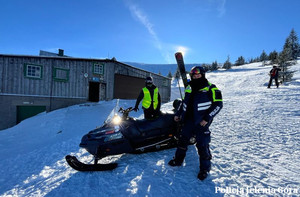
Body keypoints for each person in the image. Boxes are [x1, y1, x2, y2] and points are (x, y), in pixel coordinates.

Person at [168, 66, 223, 181]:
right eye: (194, 75)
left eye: (198, 74)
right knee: (182, 141)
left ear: (202, 75)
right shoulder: (189, 87)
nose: (196, 76)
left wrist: (207, 118)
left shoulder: (211, 88)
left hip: (201, 122)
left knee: (202, 146)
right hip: (188, 121)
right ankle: (178, 160)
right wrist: (178, 114)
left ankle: (204, 169)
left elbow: (218, 105)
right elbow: (184, 102)